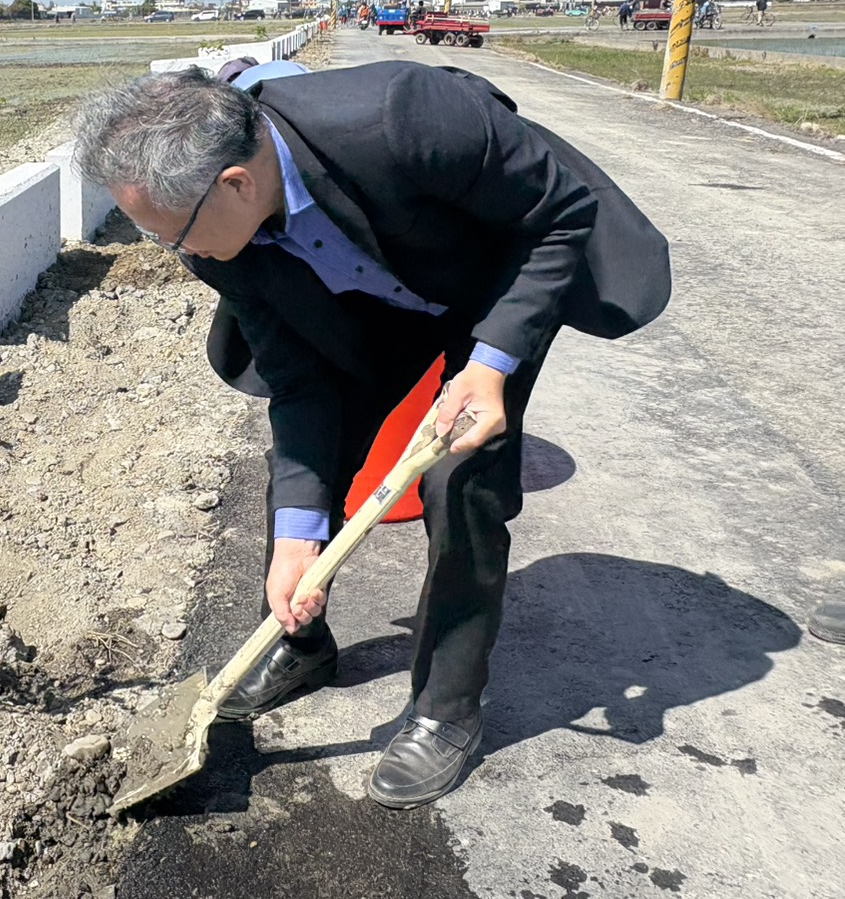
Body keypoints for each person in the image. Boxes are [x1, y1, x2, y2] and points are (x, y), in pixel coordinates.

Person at [73, 65, 670, 809]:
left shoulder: (401, 116)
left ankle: (447, 707)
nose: (174, 253)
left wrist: (487, 367)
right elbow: (299, 384)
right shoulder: (216, 238)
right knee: (300, 467)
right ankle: (295, 643)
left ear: (234, 184)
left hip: (497, 278)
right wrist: (299, 537)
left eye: (171, 236)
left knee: (461, 478)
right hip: (373, 301)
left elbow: (555, 215)